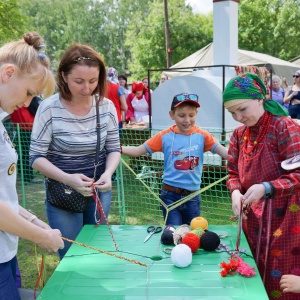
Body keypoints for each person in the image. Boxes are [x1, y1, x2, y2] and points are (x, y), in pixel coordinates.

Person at [29, 44, 121, 259]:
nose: (87, 88)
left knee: (96, 252)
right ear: (64, 76)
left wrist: (108, 174)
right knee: (70, 256)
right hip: (63, 194)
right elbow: (35, 158)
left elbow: (114, 148)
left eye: (93, 81)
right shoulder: (49, 108)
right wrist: (68, 179)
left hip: (99, 191)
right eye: (79, 81)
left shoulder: (106, 106)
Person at [223, 72, 300, 299]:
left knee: (281, 279)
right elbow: (232, 172)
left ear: (260, 98)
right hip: (253, 221)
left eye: (242, 109)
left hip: (286, 220)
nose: (238, 117)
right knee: (253, 275)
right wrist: (236, 191)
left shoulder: (283, 127)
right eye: (231, 112)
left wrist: (266, 188)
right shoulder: (238, 135)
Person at [0, 32, 63, 300]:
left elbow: (5, 197)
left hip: (6, 251)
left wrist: (37, 223)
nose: (27, 103)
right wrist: (39, 237)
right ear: (8, 73)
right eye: (28, 92)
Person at [122, 93, 228, 225]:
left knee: (191, 235)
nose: (187, 120)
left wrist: (245, 157)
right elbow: (138, 151)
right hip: (169, 196)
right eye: (181, 115)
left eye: (191, 115)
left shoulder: (203, 136)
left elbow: (227, 154)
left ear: (196, 114)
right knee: (173, 234)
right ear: (172, 115)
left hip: (192, 197)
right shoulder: (164, 136)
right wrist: (117, 148)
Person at [10, 96, 43, 183]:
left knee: (21, 152)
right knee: (28, 153)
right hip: (28, 127)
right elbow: (36, 110)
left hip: (19, 128)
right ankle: (28, 177)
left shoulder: (13, 99)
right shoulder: (27, 99)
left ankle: (22, 174)